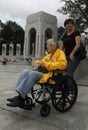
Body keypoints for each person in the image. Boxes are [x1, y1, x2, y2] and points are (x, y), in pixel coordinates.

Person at [7, 39, 67, 107]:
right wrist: (37, 64)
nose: (46, 46)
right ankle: (20, 95)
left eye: (48, 45)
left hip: (52, 75)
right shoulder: (49, 55)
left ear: (53, 46)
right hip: (44, 73)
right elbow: (41, 61)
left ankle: (20, 99)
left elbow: (63, 65)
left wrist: (46, 65)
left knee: (33, 74)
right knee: (25, 71)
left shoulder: (60, 53)